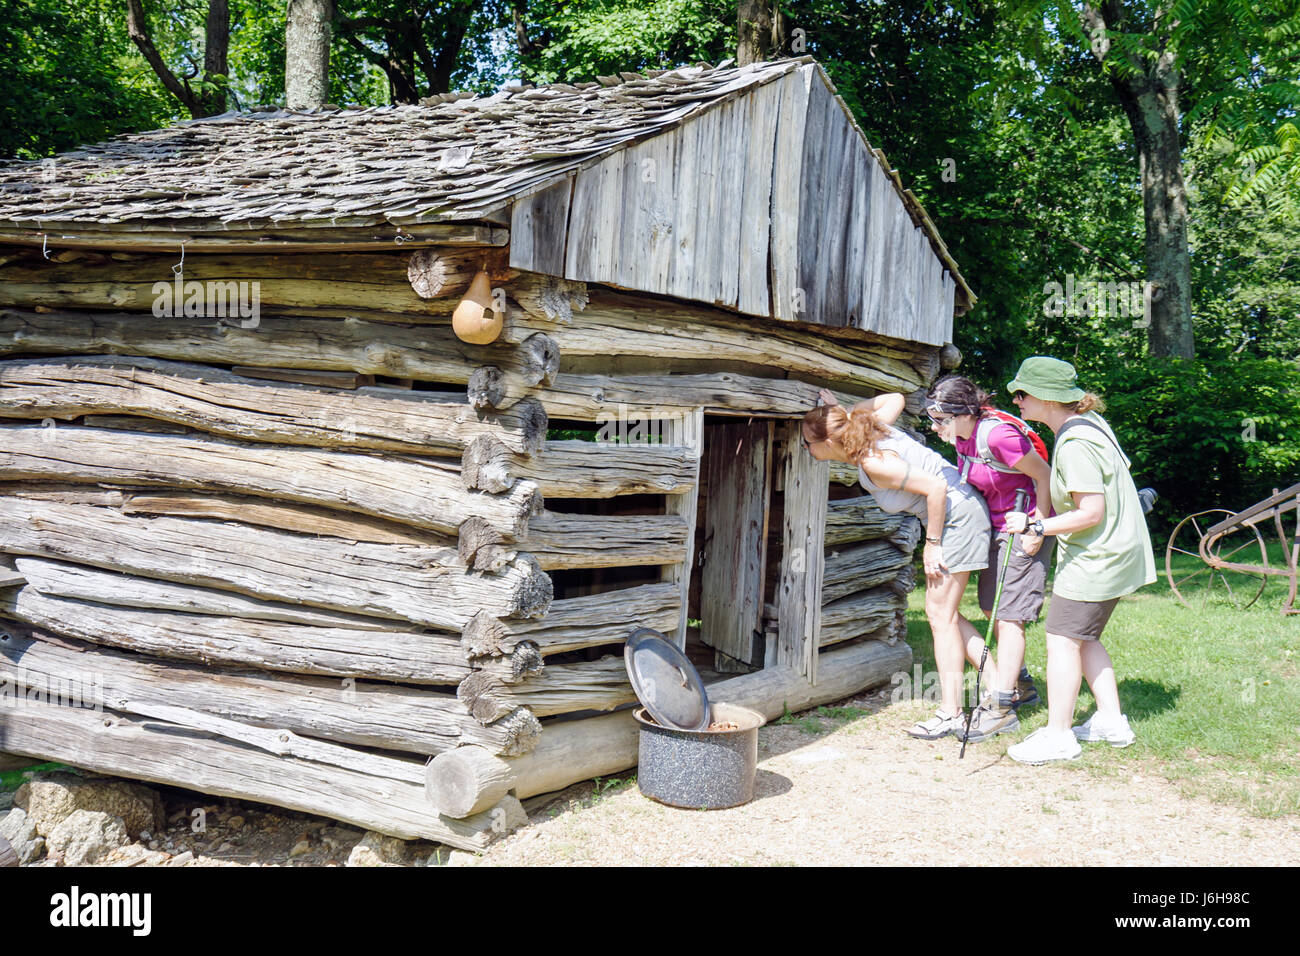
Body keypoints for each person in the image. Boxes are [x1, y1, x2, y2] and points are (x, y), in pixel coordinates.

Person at [802, 389, 993, 740]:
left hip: (957, 516)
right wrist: (844, 411)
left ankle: (952, 712)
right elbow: (895, 399)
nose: (808, 452)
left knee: (940, 617)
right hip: (956, 512)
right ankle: (1001, 685)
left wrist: (932, 545)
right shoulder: (869, 427)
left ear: (828, 442)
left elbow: (935, 487)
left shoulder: (874, 460)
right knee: (945, 614)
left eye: (808, 445)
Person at [998, 357, 1156, 764]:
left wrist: (1036, 529)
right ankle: (1110, 722)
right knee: (1084, 637)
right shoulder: (1090, 426)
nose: (1016, 400)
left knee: (1061, 641)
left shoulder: (1074, 443)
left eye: (1023, 393)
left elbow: (1090, 512)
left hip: (1097, 557)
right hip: (1114, 551)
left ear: (1048, 399)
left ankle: (1059, 736)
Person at [924, 374, 1054, 743]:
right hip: (995, 527)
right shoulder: (961, 437)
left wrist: (1037, 526)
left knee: (1010, 616)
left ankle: (1000, 707)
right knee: (991, 609)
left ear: (965, 412)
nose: (936, 428)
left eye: (941, 420)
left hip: (1023, 526)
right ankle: (1023, 685)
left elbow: (1044, 476)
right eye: (932, 419)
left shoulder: (998, 436)